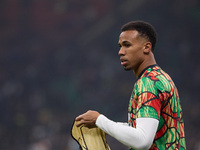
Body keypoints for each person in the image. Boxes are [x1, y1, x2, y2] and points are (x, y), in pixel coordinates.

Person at [75, 21, 186, 150]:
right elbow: (144, 127)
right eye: (120, 46)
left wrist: (100, 120)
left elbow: (143, 141)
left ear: (146, 47)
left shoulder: (148, 83)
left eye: (127, 45)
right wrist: (105, 126)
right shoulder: (161, 77)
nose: (120, 52)